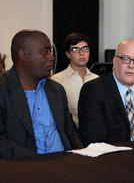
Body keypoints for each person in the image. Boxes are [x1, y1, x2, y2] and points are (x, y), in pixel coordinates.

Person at [0, 29, 83, 159]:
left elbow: (70, 132)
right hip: (25, 168)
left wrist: (83, 157)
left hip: (65, 165)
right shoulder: (3, 89)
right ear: (24, 55)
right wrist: (41, 163)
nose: (52, 57)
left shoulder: (56, 90)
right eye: (46, 52)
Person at [78, 39, 134, 146]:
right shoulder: (93, 90)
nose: (131, 65)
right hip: (113, 158)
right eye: (126, 59)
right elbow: (95, 141)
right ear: (115, 61)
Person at [51, 33, 98, 127]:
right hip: (70, 135)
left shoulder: (97, 79)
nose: (82, 53)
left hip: (96, 135)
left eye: (85, 48)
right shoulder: (56, 80)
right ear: (68, 54)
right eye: (76, 49)